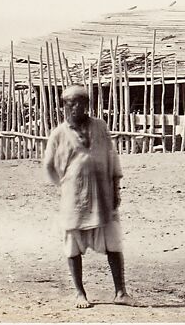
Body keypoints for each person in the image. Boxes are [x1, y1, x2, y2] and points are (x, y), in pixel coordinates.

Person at [42, 84, 131, 308]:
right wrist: (66, 185)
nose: (76, 108)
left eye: (80, 103)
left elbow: (113, 159)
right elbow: (49, 167)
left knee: (113, 241)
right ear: (63, 107)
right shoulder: (59, 134)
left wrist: (116, 187)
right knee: (72, 243)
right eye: (71, 104)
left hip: (103, 194)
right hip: (74, 198)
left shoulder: (100, 127)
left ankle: (121, 292)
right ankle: (80, 293)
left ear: (87, 105)